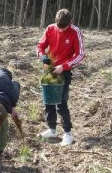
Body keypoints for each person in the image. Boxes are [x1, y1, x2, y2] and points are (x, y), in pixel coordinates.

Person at [36, 8, 85, 146]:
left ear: (71, 22)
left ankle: (67, 134)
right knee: (48, 101)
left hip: (63, 71)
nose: (61, 30)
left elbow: (80, 54)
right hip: (49, 69)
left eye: (64, 27)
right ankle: (52, 129)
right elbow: (40, 46)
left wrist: (63, 66)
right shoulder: (51, 28)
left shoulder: (75, 32)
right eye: (59, 27)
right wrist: (43, 56)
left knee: (61, 103)